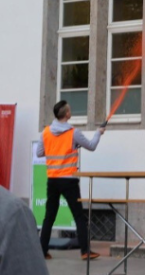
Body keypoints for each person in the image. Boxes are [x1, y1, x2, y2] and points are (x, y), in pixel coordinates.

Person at [37, 100, 104, 261]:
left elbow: (39, 153)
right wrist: (98, 133)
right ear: (67, 114)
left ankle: (42, 251)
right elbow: (91, 146)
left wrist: (54, 148)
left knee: (49, 217)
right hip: (69, 180)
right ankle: (85, 251)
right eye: (69, 109)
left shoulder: (45, 132)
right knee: (78, 216)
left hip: (52, 180)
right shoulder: (74, 132)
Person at [0, 185, 50, 274]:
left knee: (50, 216)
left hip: (55, 182)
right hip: (64, 182)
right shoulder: (13, 212)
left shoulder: (12, 212)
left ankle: (45, 249)